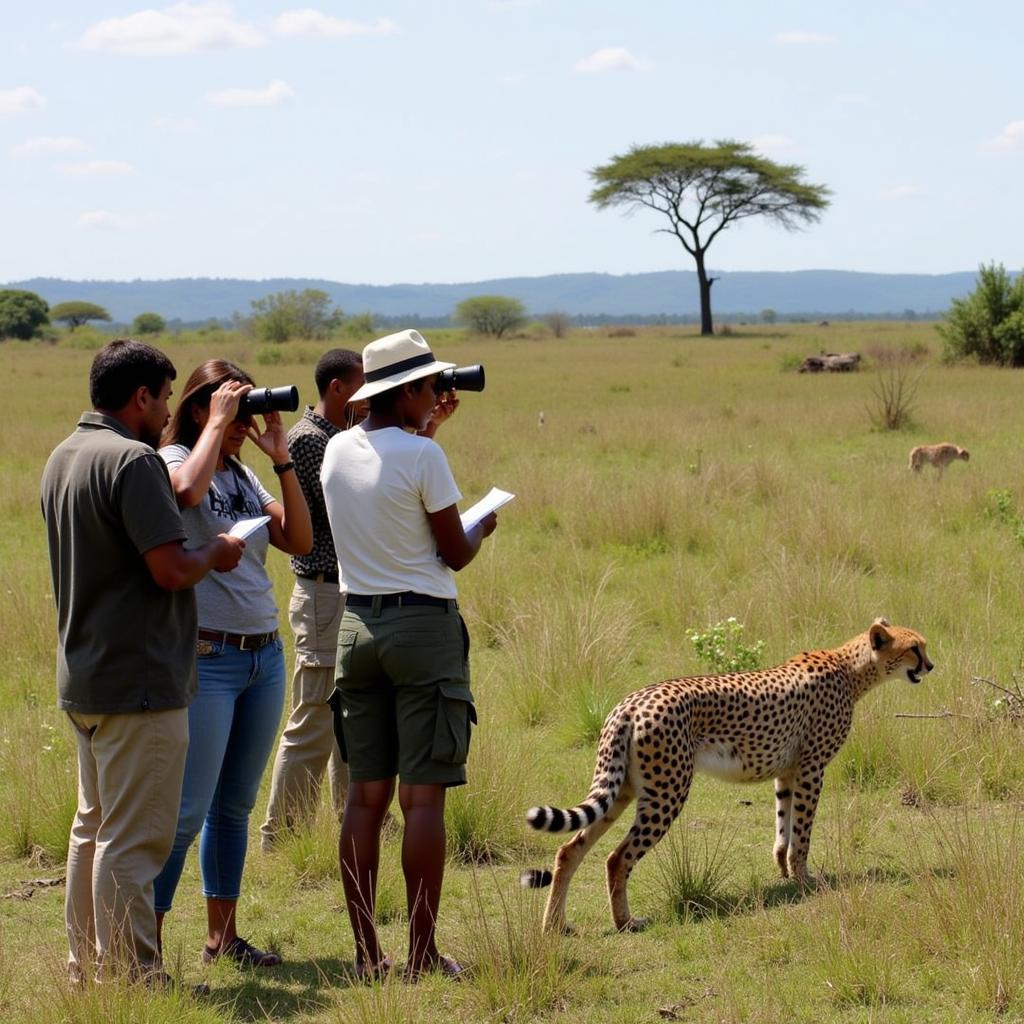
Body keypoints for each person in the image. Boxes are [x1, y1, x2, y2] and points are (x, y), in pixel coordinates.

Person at [40, 339, 245, 984]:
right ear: (141, 397)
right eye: (163, 397)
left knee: (91, 829)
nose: (165, 413)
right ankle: (133, 976)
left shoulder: (62, 455)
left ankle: (88, 966)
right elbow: (171, 569)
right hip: (141, 683)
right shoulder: (132, 462)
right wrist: (215, 552)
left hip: (85, 677)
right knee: (134, 838)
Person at [320, 329, 497, 981]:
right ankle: (422, 952)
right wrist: (480, 526)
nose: (438, 394)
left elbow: (384, 490)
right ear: (410, 390)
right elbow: (452, 551)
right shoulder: (425, 460)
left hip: (357, 627)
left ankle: (368, 958)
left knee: (365, 800)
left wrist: (425, 430)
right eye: (430, 386)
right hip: (423, 628)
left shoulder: (337, 450)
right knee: (423, 802)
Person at [153, 359, 313, 969]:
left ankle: (223, 937)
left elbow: (298, 540)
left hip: (262, 655)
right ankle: (148, 950)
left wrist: (280, 457)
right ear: (200, 407)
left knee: (233, 807)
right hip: (209, 656)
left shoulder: (246, 473)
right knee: (187, 810)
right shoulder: (174, 463)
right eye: (231, 406)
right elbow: (185, 495)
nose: (245, 420)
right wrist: (218, 424)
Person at [259, 348, 364, 849]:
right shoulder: (307, 443)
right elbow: (337, 515)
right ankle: (283, 838)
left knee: (350, 720)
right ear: (339, 388)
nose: (367, 397)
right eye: (360, 387)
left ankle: (351, 825)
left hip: (342, 592)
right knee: (314, 720)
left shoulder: (339, 440)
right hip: (322, 591)